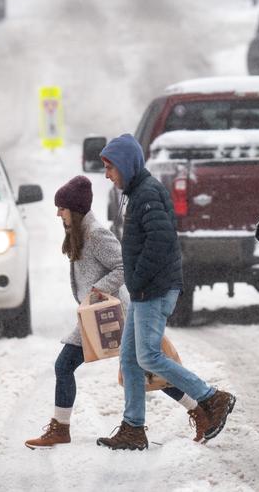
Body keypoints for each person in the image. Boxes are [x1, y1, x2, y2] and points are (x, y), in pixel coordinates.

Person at [24, 176, 208, 449]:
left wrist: (97, 290)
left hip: (112, 313)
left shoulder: (96, 234)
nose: (57, 213)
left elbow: (123, 266)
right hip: (94, 313)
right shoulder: (79, 234)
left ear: (74, 210)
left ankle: (199, 408)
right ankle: (197, 409)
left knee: (137, 366)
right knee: (137, 366)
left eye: (61, 208)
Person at [96, 134, 236, 451]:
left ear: (126, 165)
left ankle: (212, 398)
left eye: (110, 168)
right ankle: (133, 428)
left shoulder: (146, 195)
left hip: (153, 289)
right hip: (147, 288)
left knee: (148, 356)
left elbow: (160, 243)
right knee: (130, 359)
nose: (107, 175)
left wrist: (139, 279)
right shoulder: (139, 192)